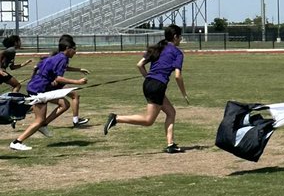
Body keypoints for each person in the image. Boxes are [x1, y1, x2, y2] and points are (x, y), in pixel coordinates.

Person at [103, 24, 188, 153]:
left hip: (149, 83)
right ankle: (116, 118)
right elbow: (177, 76)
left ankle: (170, 145)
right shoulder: (177, 53)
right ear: (175, 37)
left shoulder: (157, 48)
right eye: (180, 36)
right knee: (148, 120)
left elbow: (139, 64)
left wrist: (148, 77)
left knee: (171, 112)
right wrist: (184, 94)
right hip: (157, 86)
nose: (180, 39)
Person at [9, 34, 88, 151]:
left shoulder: (57, 57)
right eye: (74, 49)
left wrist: (78, 69)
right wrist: (78, 82)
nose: (75, 52)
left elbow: (40, 67)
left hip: (39, 87)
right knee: (39, 120)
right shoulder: (62, 58)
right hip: (39, 90)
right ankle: (17, 142)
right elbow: (59, 78)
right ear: (67, 49)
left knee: (64, 104)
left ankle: (44, 125)